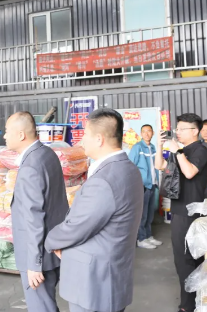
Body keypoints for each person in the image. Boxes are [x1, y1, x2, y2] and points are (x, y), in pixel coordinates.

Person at [45, 108, 143, 312]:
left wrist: (51, 240)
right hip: (113, 274)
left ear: (99, 139)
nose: (82, 141)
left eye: (85, 135)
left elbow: (77, 227)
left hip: (93, 284)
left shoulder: (104, 180)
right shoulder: (129, 169)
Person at [4, 111, 68, 312]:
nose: (4, 136)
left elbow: (33, 219)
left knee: (41, 307)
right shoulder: (47, 154)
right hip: (53, 248)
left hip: (39, 256)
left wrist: (34, 264)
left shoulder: (30, 166)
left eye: (7, 131)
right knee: (47, 304)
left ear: (21, 135)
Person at [155, 113, 207, 312]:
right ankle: (195, 301)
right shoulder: (181, 150)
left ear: (195, 131)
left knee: (186, 259)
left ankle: (187, 306)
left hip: (191, 212)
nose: (177, 132)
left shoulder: (200, 151)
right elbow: (160, 166)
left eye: (181, 129)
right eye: (176, 129)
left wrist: (177, 151)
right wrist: (160, 146)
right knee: (185, 258)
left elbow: (189, 172)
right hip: (179, 209)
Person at [128, 124, 163, 250]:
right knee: (142, 214)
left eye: (149, 131)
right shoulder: (137, 147)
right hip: (142, 186)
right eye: (144, 131)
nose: (147, 133)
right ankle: (141, 239)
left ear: (152, 133)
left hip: (152, 184)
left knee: (150, 213)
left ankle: (148, 236)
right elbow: (130, 166)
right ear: (141, 134)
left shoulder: (153, 148)